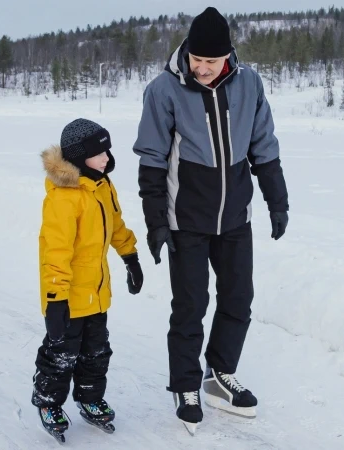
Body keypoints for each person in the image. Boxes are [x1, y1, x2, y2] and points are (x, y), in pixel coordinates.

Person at [133, 6, 289, 435]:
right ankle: (186, 387)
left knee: (239, 299)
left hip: (236, 216)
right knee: (190, 307)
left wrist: (278, 200)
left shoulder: (250, 84)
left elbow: (264, 146)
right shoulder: (163, 91)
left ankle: (220, 374)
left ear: (228, 56)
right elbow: (151, 159)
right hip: (186, 219)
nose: (201, 68)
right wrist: (155, 222)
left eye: (210, 61)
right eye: (196, 59)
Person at [32, 118, 144, 443]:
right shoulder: (64, 197)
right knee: (61, 354)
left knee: (96, 352)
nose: (107, 157)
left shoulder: (101, 186)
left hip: (97, 295)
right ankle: (49, 403)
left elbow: (117, 225)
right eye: (99, 152)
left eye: (107, 149)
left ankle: (90, 398)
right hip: (67, 298)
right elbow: (54, 252)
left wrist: (130, 256)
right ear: (80, 157)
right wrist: (54, 301)